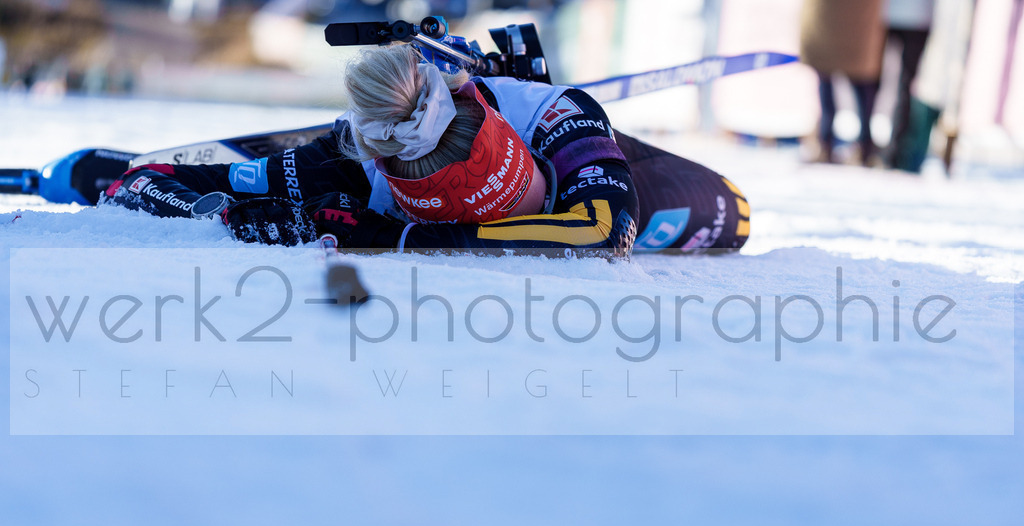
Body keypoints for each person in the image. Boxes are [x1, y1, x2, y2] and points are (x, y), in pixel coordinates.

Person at [100, 42, 749, 258]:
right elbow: (145, 180)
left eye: (515, 196)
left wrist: (396, 237)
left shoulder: (554, 115)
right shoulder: (355, 166)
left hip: (636, 187)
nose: (517, 210)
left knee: (729, 213)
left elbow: (606, 232)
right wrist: (214, 207)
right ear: (387, 169)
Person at [800, 0, 887, 165]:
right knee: (856, 82)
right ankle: (862, 146)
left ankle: (826, 143)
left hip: (834, 16)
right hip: (853, 19)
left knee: (833, 78)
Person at [881, 0, 936, 170]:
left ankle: (894, 150)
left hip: (894, 15)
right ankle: (895, 149)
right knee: (904, 85)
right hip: (915, 17)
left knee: (897, 83)